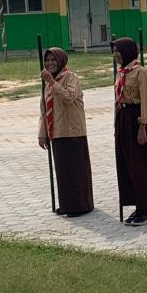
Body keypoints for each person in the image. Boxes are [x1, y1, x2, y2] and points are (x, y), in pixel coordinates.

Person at [39, 47, 94, 217]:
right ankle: (67, 204)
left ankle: (81, 205)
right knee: (63, 171)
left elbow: (69, 97)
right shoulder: (47, 83)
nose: (50, 64)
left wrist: (52, 82)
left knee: (76, 170)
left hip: (73, 131)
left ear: (61, 61)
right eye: (47, 61)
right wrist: (43, 133)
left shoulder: (71, 78)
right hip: (57, 132)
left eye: (53, 60)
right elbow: (43, 109)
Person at [112, 38, 147, 226]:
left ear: (128, 51)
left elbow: (146, 101)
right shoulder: (121, 72)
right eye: (113, 51)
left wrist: (142, 126)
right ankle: (135, 205)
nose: (115, 55)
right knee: (125, 163)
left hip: (136, 119)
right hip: (123, 119)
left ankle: (145, 208)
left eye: (118, 51)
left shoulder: (141, 73)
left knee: (140, 164)